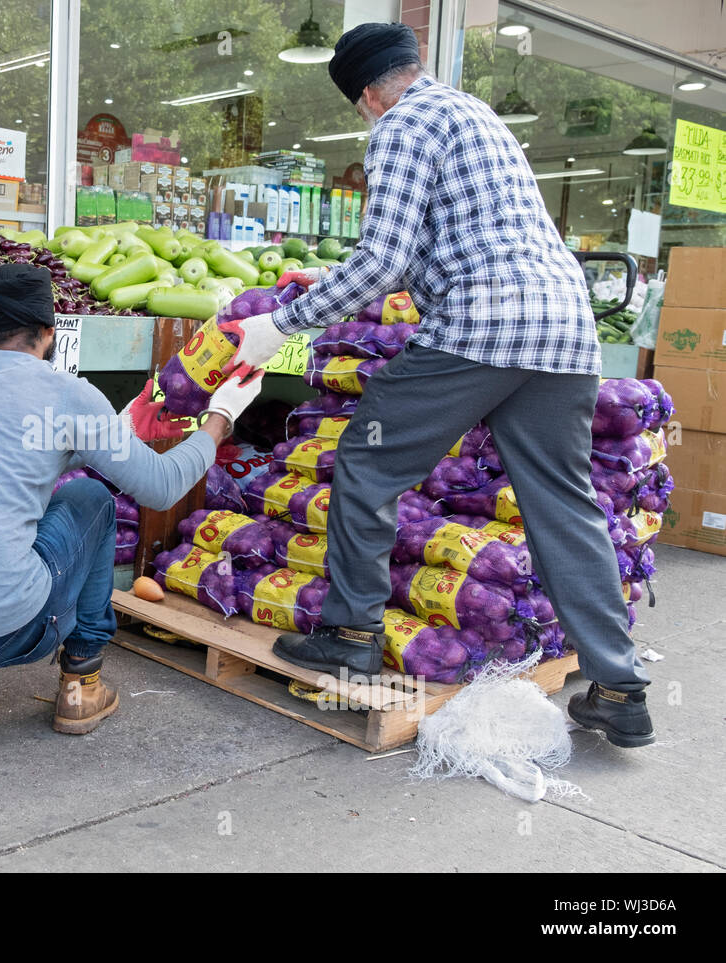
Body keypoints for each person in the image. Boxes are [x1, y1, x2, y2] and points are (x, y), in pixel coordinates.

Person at [220, 22, 655, 748]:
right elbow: (433, 243)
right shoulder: (472, 114)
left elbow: (385, 255)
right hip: (566, 332)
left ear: (364, 94)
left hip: (482, 329)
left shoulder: (399, 126)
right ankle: (620, 686)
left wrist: (284, 325)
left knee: (367, 458)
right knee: (561, 502)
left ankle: (352, 633)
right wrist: (328, 285)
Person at [0, 262, 264, 738]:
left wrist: (121, 427)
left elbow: (20, 460)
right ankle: (81, 683)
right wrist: (221, 417)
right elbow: (164, 486)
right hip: (9, 633)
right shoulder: (65, 391)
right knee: (90, 497)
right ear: (49, 331)